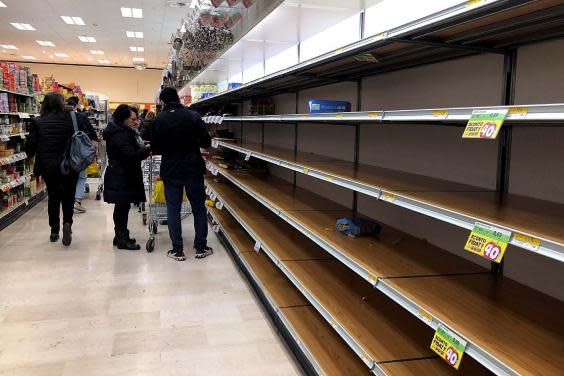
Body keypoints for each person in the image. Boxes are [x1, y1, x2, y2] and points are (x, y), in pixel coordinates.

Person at [151, 87, 212, 261]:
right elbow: (206, 142)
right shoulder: (193, 116)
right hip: (193, 168)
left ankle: (177, 250)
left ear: (162, 102)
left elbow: (155, 148)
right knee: (198, 208)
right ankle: (201, 247)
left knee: (173, 209)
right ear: (178, 99)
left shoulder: (158, 120)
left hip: (171, 170)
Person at [26, 93, 89, 246]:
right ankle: (68, 223)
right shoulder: (73, 118)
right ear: (62, 103)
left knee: (53, 197)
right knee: (69, 195)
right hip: (70, 163)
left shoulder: (37, 121)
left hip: (48, 166)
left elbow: (31, 147)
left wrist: (32, 153)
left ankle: (54, 230)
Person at [103, 104, 150, 250]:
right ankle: (123, 239)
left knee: (122, 206)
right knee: (122, 206)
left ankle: (119, 236)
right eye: (133, 119)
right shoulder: (120, 134)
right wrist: (148, 150)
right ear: (123, 119)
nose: (136, 122)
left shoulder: (121, 131)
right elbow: (130, 156)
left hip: (121, 173)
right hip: (122, 174)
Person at [66, 96, 98, 213]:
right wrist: (95, 139)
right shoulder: (81, 116)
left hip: (65, 152)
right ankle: (77, 201)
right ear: (76, 105)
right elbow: (90, 130)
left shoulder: (60, 117)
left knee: (68, 175)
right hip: (79, 151)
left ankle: (67, 199)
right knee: (81, 175)